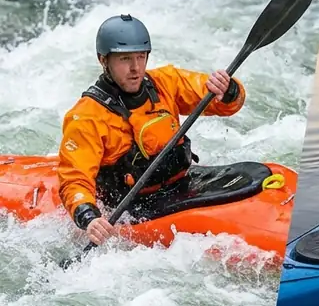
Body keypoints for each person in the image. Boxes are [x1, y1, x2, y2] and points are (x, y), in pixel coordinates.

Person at [57, 14, 247, 246]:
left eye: (141, 57)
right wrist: (89, 218)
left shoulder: (165, 82)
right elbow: (74, 179)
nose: (136, 68)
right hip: (130, 205)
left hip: (180, 185)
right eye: (125, 59)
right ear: (103, 60)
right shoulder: (86, 117)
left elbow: (218, 100)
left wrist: (228, 90)